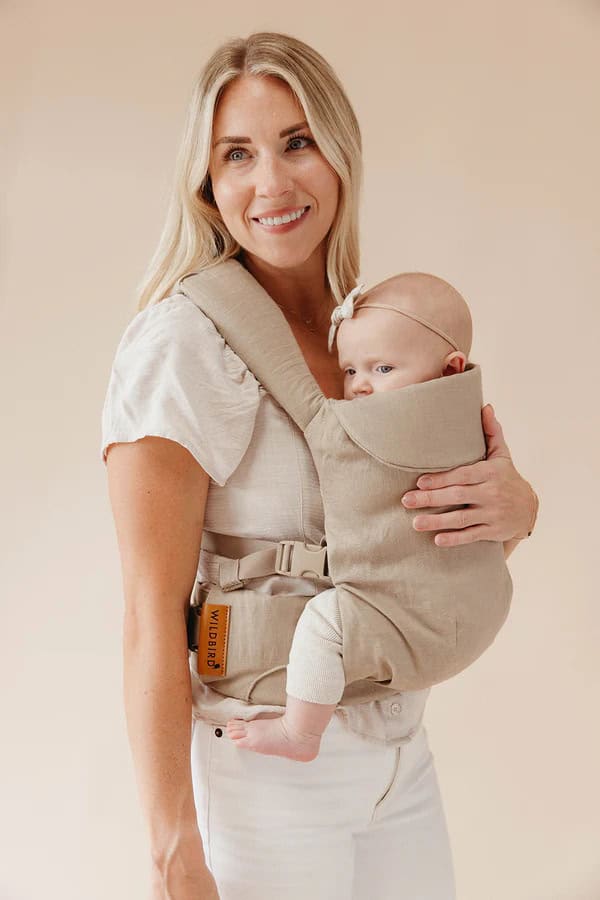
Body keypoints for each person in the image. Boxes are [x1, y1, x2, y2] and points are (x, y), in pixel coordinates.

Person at [101, 32, 539, 900]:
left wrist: (515, 508)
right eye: (238, 154)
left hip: (398, 755)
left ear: (341, 152)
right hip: (266, 775)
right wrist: (172, 853)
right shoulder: (182, 345)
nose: (272, 182)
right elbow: (150, 617)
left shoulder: (374, 337)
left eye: (297, 142)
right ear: (208, 184)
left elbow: (409, 554)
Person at [225, 270, 489, 763]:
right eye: (350, 371)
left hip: (408, 623)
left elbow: (286, 377)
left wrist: (219, 286)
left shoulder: (364, 432)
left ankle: (301, 732)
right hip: (479, 610)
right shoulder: (472, 421)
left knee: (328, 622)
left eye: (383, 369)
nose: (360, 387)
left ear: (452, 370)